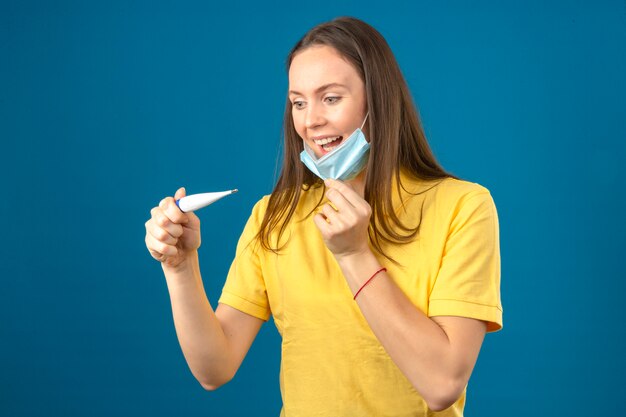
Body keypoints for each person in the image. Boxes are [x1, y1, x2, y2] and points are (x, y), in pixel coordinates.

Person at [144, 17, 502, 417]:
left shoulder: (462, 207)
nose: (310, 121)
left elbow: (442, 385)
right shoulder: (274, 216)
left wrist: (353, 255)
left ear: (378, 101)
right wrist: (180, 267)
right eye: (299, 102)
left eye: (330, 98)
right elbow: (214, 368)